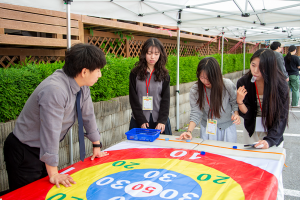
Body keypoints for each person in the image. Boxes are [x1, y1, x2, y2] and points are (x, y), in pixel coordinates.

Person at [3, 43, 109, 192]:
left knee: (46, 193)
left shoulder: (82, 85)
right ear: (84, 71)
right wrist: (53, 173)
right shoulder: (55, 90)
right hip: (25, 151)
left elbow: (88, 114)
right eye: (98, 70)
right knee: (29, 195)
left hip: (41, 150)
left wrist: (96, 145)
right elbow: (50, 132)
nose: (100, 74)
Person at [177, 57, 240, 142]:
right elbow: (196, 112)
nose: (205, 81)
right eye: (202, 77)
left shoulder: (227, 85)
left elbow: (234, 101)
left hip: (227, 128)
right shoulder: (196, 90)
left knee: (227, 154)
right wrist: (189, 131)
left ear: (216, 75)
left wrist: (236, 113)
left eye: (209, 77)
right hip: (208, 129)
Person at [237, 48, 289, 148]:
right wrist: (240, 102)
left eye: (261, 67)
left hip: (273, 131)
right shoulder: (243, 82)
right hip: (252, 130)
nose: (255, 71)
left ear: (270, 67)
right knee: (250, 161)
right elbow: (248, 114)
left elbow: (281, 117)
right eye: (253, 65)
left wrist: (269, 141)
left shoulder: (280, 85)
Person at [129, 38, 172, 135]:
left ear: (160, 55)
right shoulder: (134, 73)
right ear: (144, 53)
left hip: (159, 122)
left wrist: (162, 120)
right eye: (149, 53)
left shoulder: (164, 75)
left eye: (156, 54)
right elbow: (133, 99)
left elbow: (166, 99)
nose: (152, 57)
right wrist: (140, 119)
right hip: (139, 121)